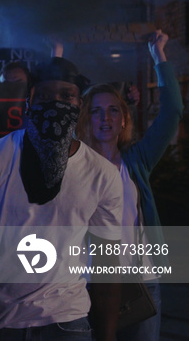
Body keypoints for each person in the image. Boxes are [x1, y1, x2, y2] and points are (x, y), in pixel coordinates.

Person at [0, 56, 124, 341]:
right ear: (29, 101)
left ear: (79, 104)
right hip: (1, 322)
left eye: (66, 95)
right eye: (44, 95)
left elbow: (108, 266)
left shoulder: (102, 174)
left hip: (67, 322)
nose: (55, 102)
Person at [76, 30, 183, 341]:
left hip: (141, 280)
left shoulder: (137, 162)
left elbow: (173, 111)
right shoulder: (75, 166)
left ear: (123, 119)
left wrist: (158, 54)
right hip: (89, 283)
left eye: (113, 110)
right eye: (96, 111)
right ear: (87, 120)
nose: (105, 118)